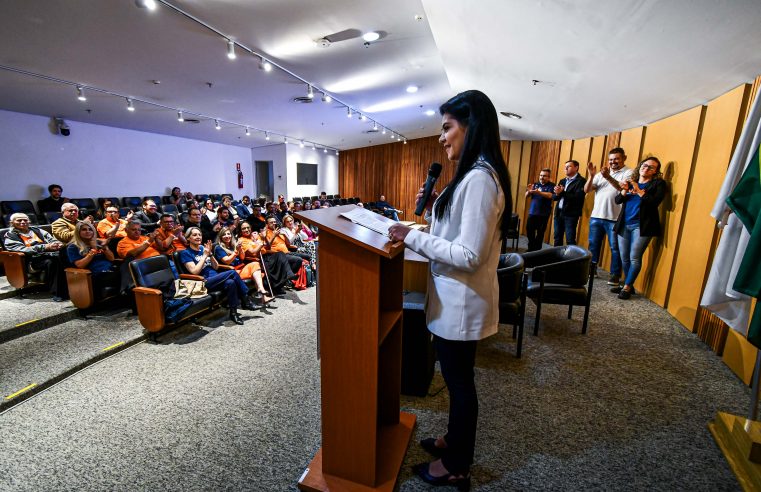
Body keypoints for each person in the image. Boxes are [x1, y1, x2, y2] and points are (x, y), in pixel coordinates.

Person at [388, 90, 511, 489]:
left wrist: (412, 237)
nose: (442, 137)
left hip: (461, 304)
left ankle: (457, 463)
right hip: (455, 300)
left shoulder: (479, 179)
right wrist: (436, 208)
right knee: (458, 381)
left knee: (460, 385)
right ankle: (453, 440)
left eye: (447, 127)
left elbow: (468, 253)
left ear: (470, 125)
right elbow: (456, 235)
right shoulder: (472, 176)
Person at [612, 157, 667, 299]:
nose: (646, 168)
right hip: (624, 224)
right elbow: (618, 200)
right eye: (645, 165)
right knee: (624, 257)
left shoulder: (658, 184)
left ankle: (627, 287)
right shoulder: (631, 182)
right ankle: (628, 284)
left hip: (642, 226)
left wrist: (639, 190)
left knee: (634, 257)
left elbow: (654, 202)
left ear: (655, 172)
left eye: (651, 167)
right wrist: (625, 190)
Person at [179, 227, 255, 325]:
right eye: (194, 235)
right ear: (188, 238)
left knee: (231, 282)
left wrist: (210, 255)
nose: (198, 237)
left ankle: (233, 313)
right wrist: (205, 256)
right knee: (232, 273)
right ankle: (246, 300)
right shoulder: (185, 253)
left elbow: (216, 267)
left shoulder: (203, 248)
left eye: (199, 234)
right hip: (203, 282)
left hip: (216, 278)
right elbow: (195, 272)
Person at [585, 147, 633, 286]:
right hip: (596, 216)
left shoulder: (629, 173)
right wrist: (591, 175)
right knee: (593, 245)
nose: (613, 162)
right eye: (611, 159)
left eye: (616, 158)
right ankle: (591, 270)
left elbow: (623, 189)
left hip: (615, 218)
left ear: (624, 158)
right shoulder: (601, 173)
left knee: (615, 248)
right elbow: (586, 190)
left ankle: (615, 275)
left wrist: (608, 177)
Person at [3, 212, 67, 300]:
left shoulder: (37, 230)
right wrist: (44, 247)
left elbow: (51, 239)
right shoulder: (10, 236)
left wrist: (57, 244)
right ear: (12, 222)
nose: (23, 222)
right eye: (19, 220)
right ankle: (58, 293)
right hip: (30, 261)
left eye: (25, 220)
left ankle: (72, 287)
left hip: (48, 254)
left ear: (29, 221)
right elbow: (21, 249)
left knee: (66, 253)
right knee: (52, 261)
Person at [214, 227, 273, 304]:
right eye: (224, 235)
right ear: (220, 237)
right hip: (232, 272)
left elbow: (242, 257)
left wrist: (240, 249)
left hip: (241, 268)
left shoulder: (233, 245)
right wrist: (235, 252)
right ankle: (263, 295)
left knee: (255, 264)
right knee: (255, 271)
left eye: (228, 234)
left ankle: (262, 292)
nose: (227, 236)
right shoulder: (219, 248)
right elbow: (227, 261)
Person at [239, 222, 293, 294]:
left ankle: (289, 274)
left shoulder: (254, 235)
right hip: (257, 260)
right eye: (244, 228)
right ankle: (275, 287)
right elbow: (253, 252)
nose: (246, 230)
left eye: (248, 227)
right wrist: (260, 244)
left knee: (280, 254)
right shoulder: (242, 240)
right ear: (240, 230)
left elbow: (268, 246)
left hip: (266, 255)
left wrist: (264, 238)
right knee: (274, 261)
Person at [67, 221, 119, 293]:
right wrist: (93, 249)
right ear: (78, 232)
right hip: (94, 273)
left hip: (110, 269)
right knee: (122, 277)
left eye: (90, 229)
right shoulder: (73, 247)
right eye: (84, 229)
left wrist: (104, 247)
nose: (88, 231)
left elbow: (111, 258)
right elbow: (80, 265)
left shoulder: (99, 242)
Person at [552, 160, 587, 245]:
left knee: (570, 239)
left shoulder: (581, 181)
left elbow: (578, 198)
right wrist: (556, 193)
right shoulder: (562, 180)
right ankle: (557, 257)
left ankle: (571, 258)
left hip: (571, 214)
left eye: (569, 166)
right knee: (557, 237)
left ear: (576, 168)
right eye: (565, 167)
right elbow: (555, 198)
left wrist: (562, 192)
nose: (566, 168)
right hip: (559, 213)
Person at [525, 168, 555, 251]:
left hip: (543, 214)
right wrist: (529, 191)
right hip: (532, 212)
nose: (542, 177)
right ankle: (531, 248)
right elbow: (526, 196)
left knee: (540, 233)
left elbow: (550, 195)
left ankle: (537, 250)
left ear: (548, 177)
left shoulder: (551, 185)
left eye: (544, 176)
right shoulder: (535, 184)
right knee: (529, 230)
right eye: (541, 175)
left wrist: (539, 193)